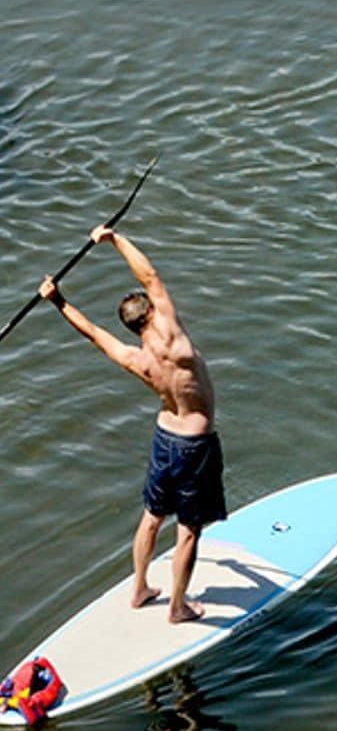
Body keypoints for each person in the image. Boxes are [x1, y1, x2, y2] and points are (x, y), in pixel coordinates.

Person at [38, 226, 225, 622]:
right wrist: (115, 238)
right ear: (153, 312)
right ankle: (177, 606)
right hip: (195, 445)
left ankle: (139, 588)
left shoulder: (133, 359)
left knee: (152, 517)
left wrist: (58, 301)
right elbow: (150, 277)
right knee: (189, 529)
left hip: (164, 439)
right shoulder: (176, 339)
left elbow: (92, 333)